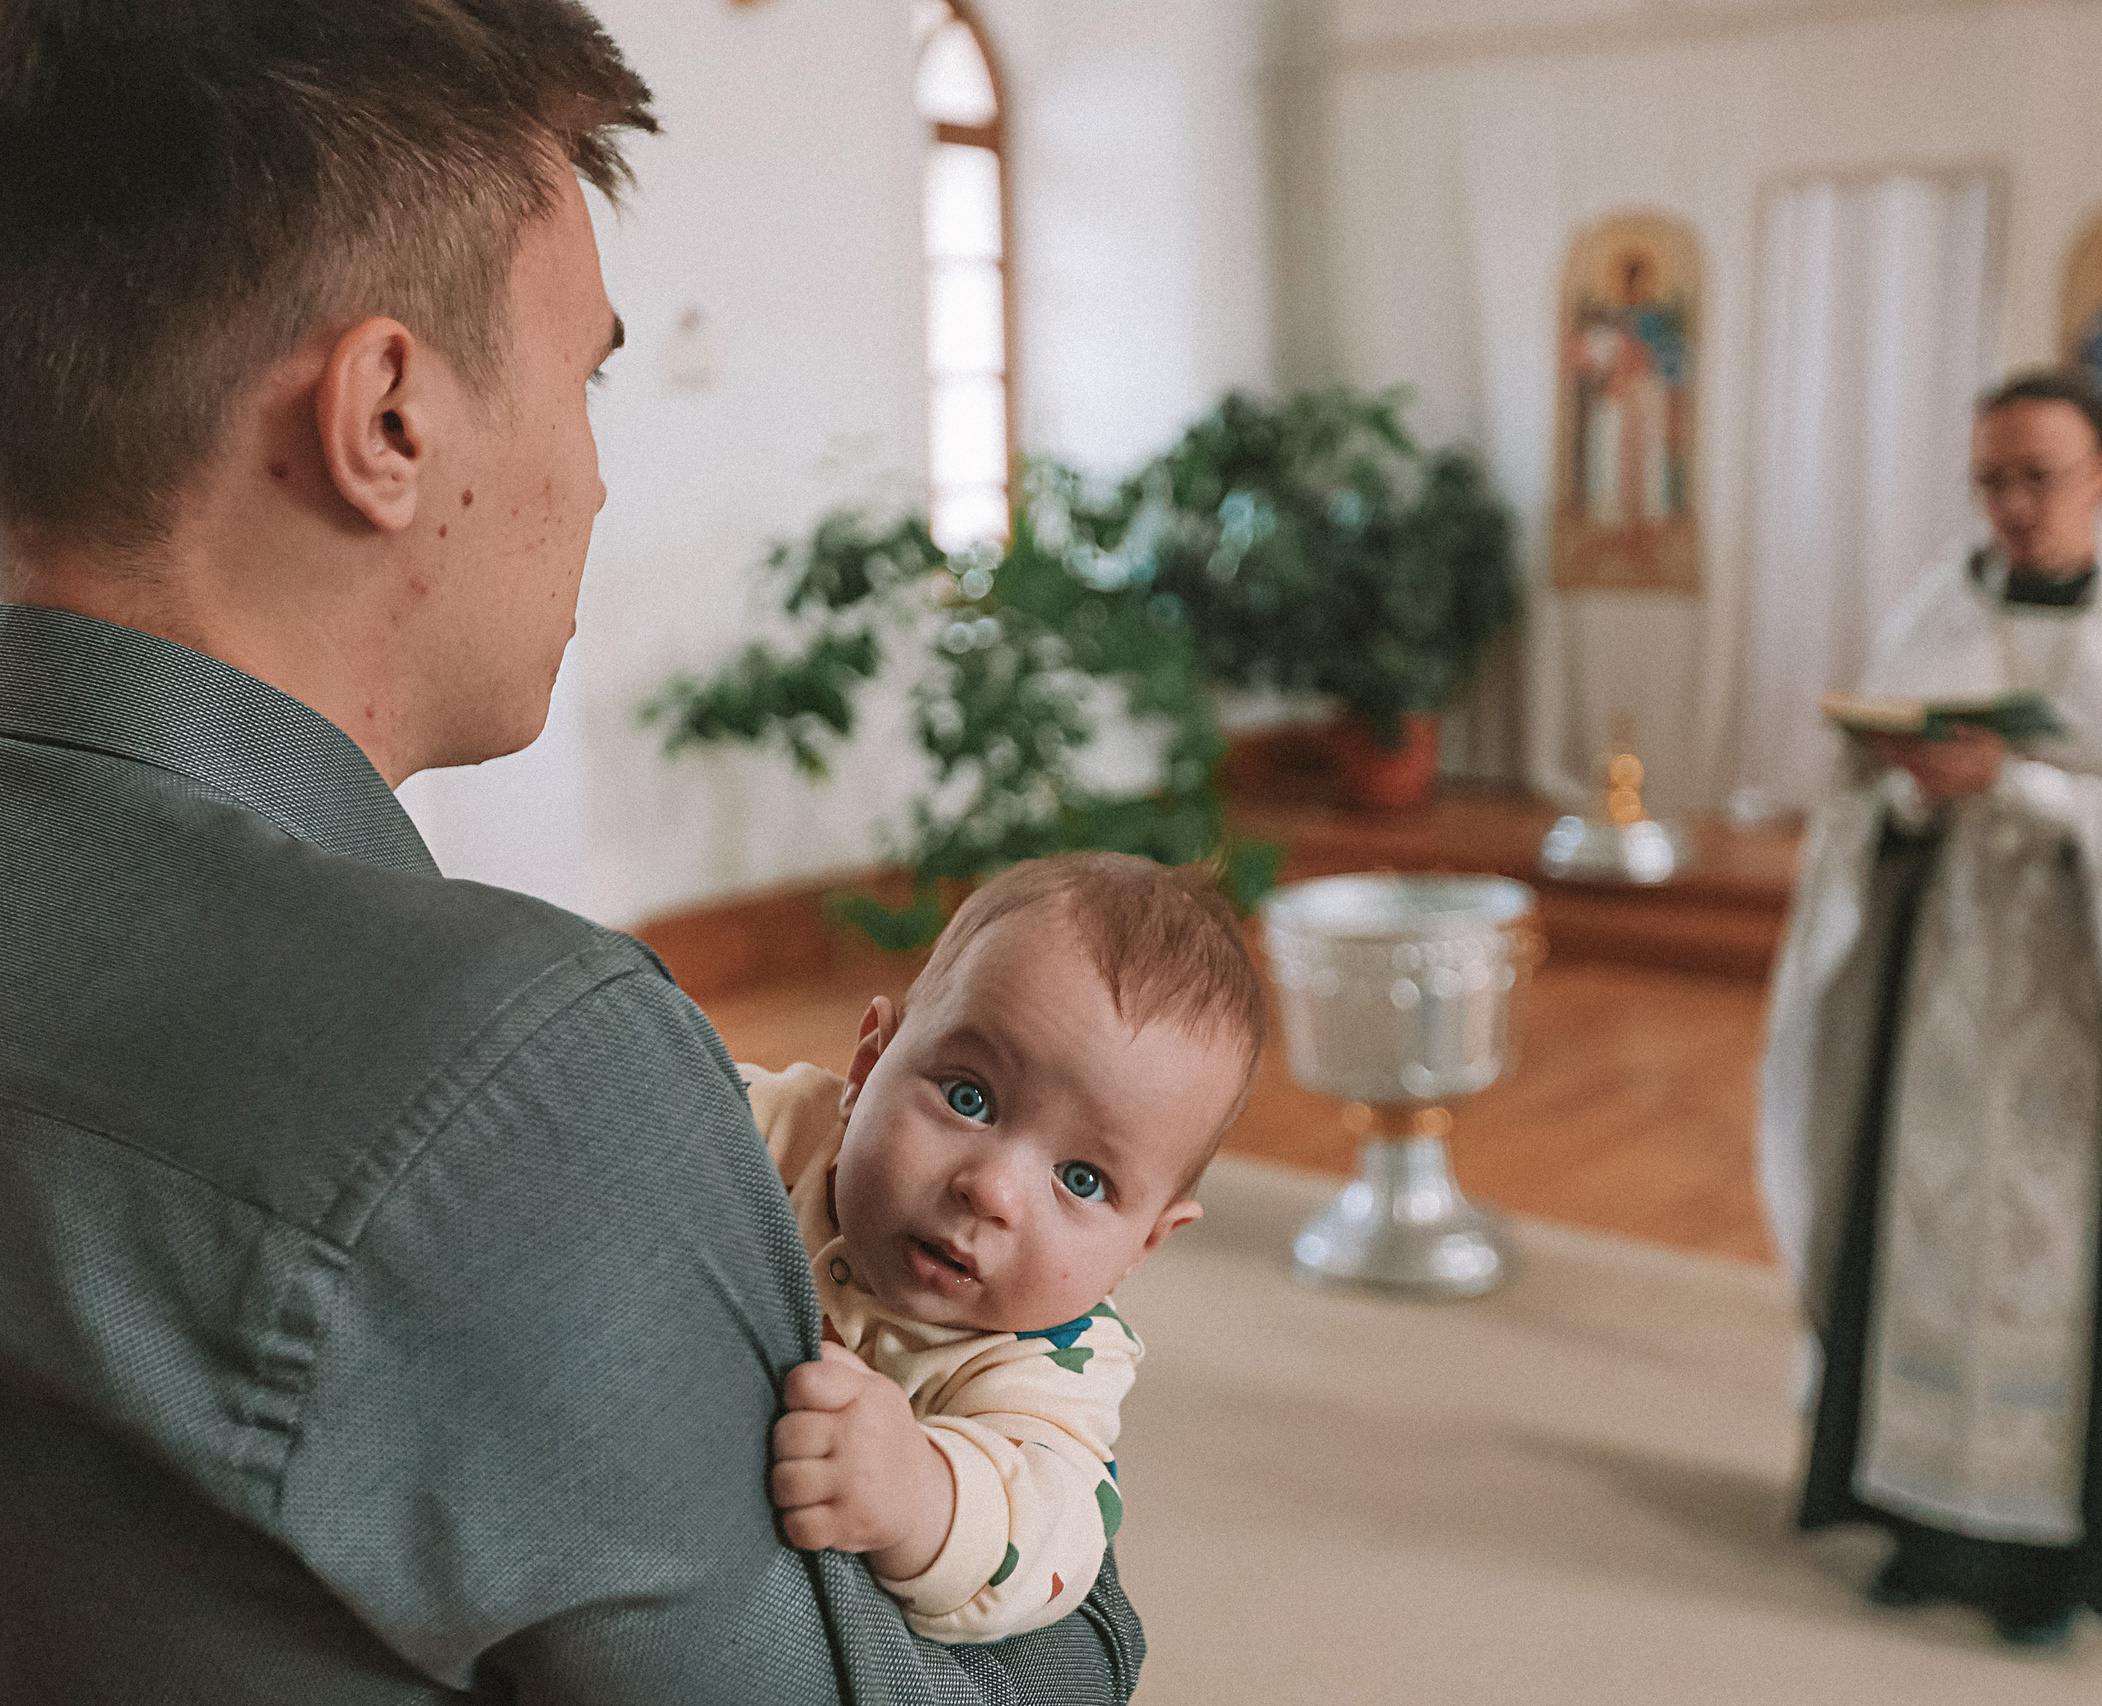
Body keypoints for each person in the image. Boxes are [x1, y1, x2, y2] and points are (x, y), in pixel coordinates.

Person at [0, 3, 1138, 1700]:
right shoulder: (515, 1079)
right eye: (586, 375)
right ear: (388, 416)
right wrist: (1088, 1575)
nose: (597, 479)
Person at [1758, 370, 2102, 1647]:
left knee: (2071, 1275)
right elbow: (1853, 808)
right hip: (1949, 985)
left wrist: (2027, 787)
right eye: (1990, 478)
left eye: (2037, 476)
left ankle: (2065, 1558)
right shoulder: (1942, 603)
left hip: (2095, 1012)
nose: (2011, 505)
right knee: (1925, 1241)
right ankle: (1920, 1522)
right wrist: (1906, 788)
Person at [744, 853, 1262, 1642]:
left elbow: (1054, 1536)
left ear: (1144, 1244)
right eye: (969, 1097)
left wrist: (920, 1492)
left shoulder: (1051, 1365)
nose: (991, 1191)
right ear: (868, 1066)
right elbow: (653, 1098)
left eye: (1082, 1180)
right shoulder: (783, 1125)